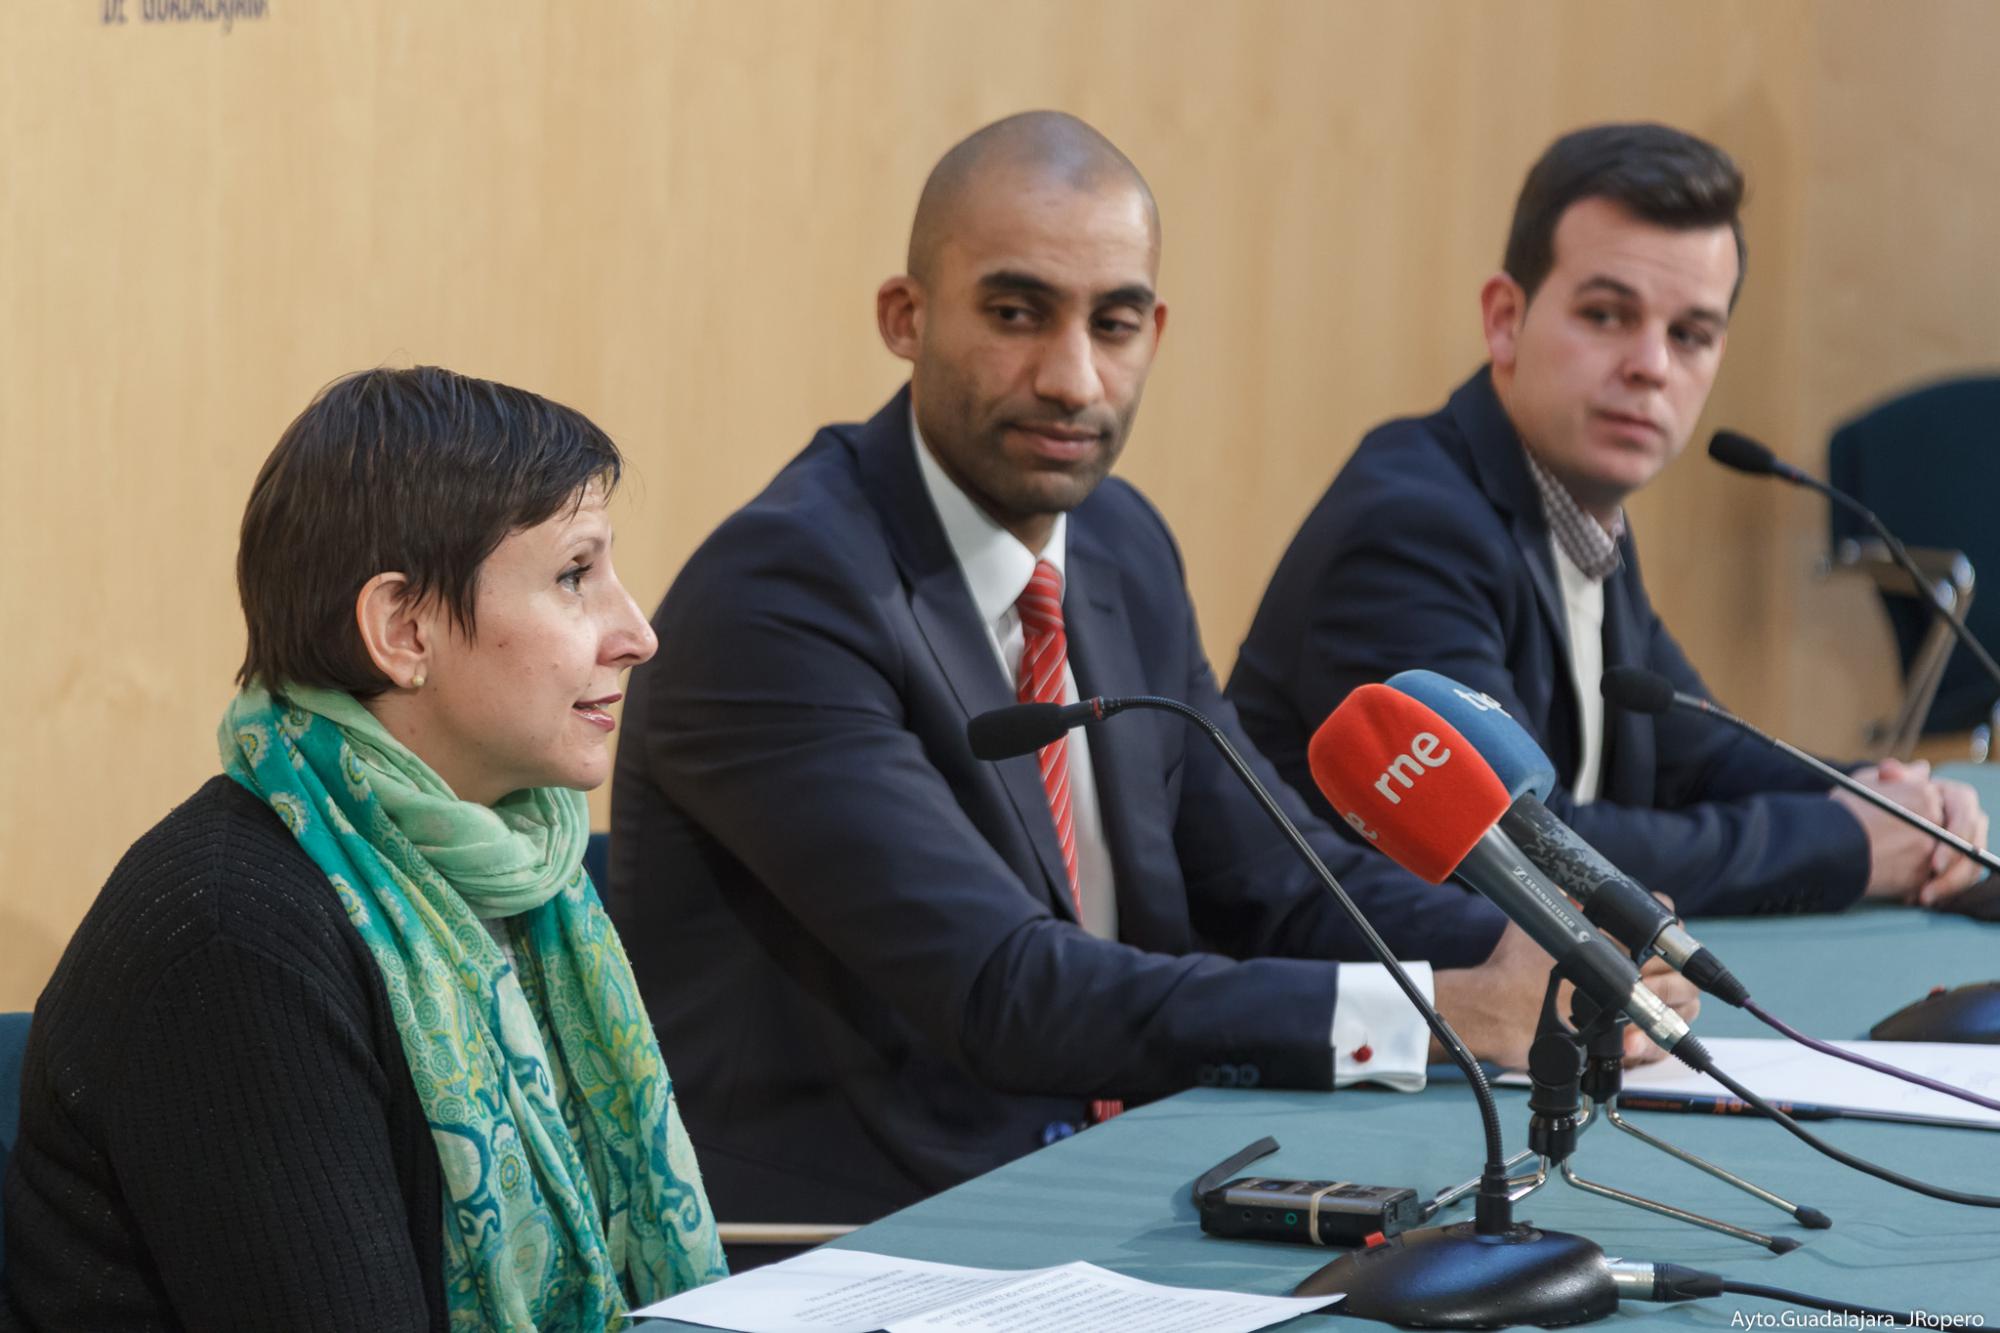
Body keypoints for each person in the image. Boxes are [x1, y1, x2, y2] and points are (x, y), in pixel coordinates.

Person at [607, 111, 1699, 1227]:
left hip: (1129, 1184)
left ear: (1155, 331)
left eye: (1114, 323)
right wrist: (1448, 1010)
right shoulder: (782, 592)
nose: (1072, 378)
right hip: (857, 1237)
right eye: (1015, 313)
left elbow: (1277, 885)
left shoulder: (1120, 544)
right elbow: (1000, 988)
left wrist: (1555, 948)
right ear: (906, 316)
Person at [2, 368, 726, 1331]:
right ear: (403, 629)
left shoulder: (519, 867)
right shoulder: (232, 937)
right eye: (573, 576)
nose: (637, 634)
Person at [1228, 122, 1989, 920]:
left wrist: (1888, 800)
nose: (1651, 366)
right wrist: (1851, 844)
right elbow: (1524, 848)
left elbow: (1700, 757)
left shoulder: (1575, 505)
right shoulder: (1411, 527)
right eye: (1605, 315)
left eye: (1689, 334)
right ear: (1505, 319)